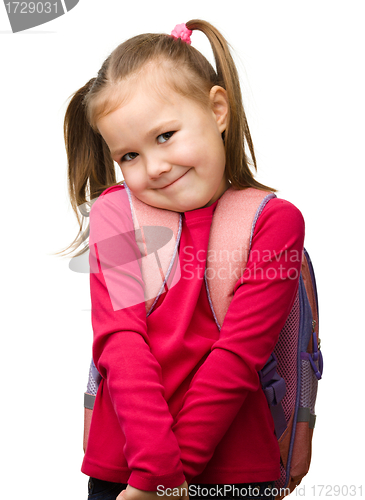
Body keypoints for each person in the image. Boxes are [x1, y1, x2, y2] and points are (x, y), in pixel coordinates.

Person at [63, 20, 305, 500]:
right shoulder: (115, 213)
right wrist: (156, 472)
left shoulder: (274, 222)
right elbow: (120, 341)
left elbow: (239, 354)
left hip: (233, 474)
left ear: (218, 109)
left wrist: (168, 481)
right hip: (128, 469)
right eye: (129, 155)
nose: (153, 167)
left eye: (166, 135)